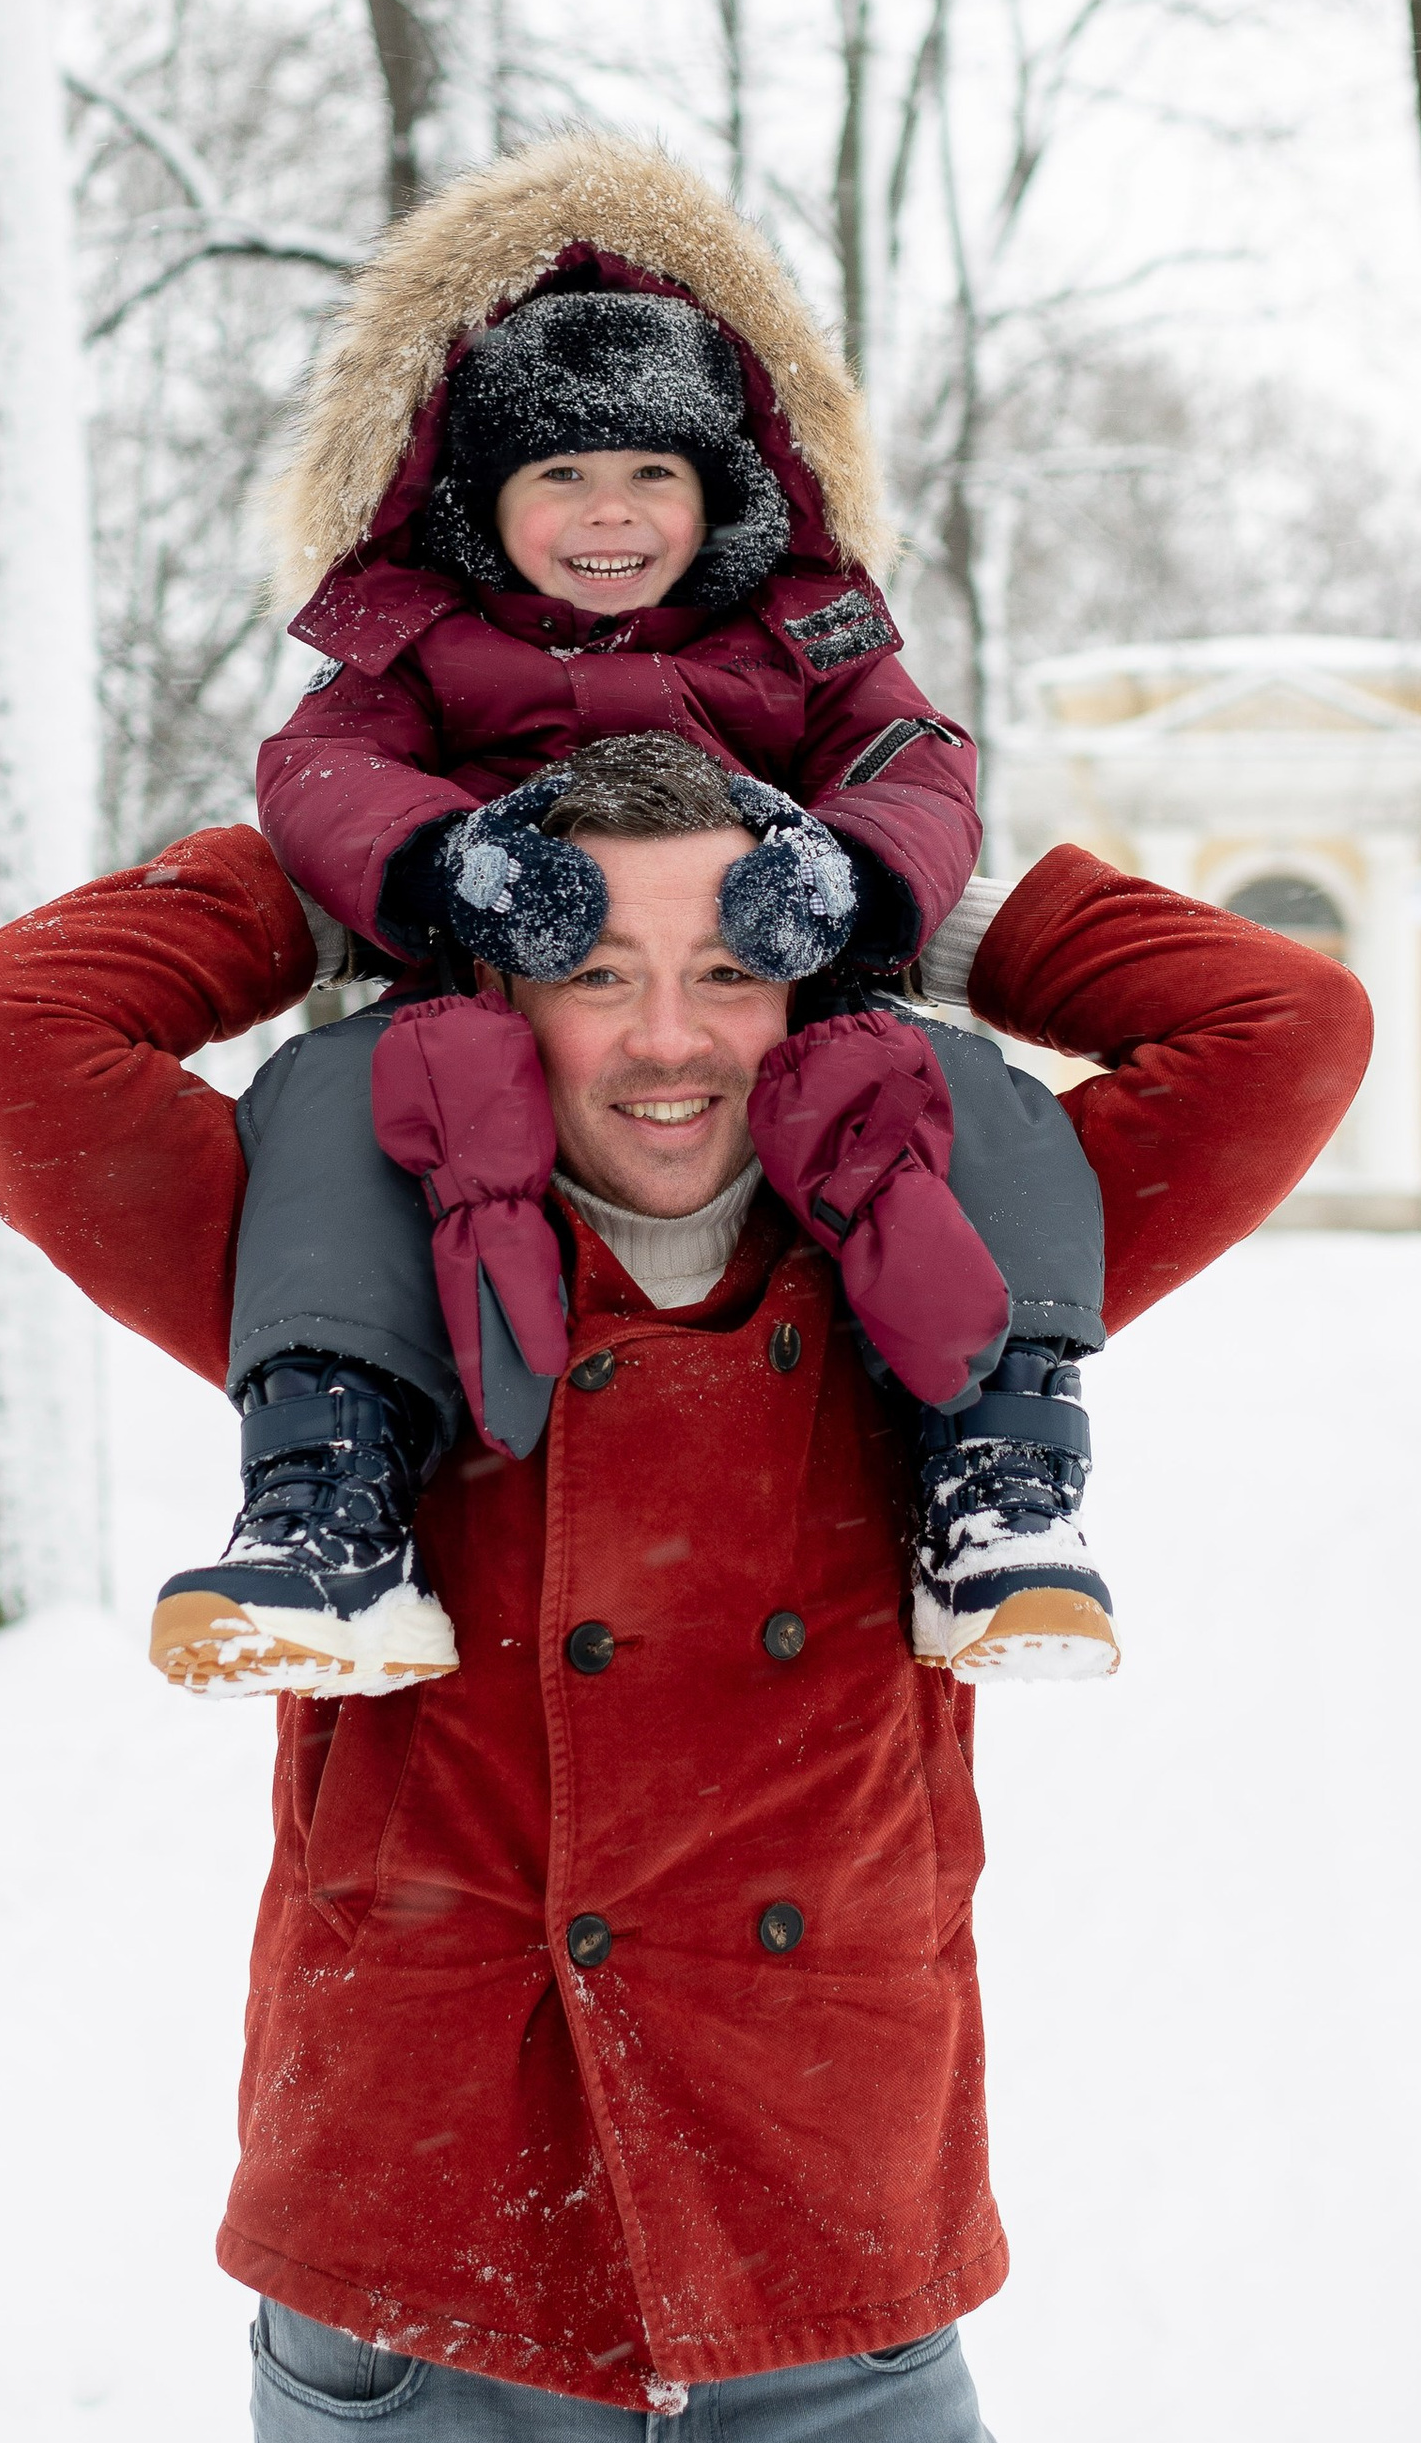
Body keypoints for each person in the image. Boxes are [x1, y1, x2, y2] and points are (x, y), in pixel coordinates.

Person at [0, 737, 1370, 2443]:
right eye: (592, 967)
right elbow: (7, 1023)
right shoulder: (342, 1284)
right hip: (420, 2337)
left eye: (731, 966)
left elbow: (1278, 1022)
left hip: (830, 2329)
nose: (668, 1041)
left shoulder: (932, 1294)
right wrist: (362, 869)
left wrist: (912, 884)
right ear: (495, 994)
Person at [153, 128, 1116, 1698]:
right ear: (488, 501)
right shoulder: (423, 647)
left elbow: (914, 757)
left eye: (650, 473)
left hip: (768, 1006)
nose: (610, 512)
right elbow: (322, 769)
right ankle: (327, 1491)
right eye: (564, 476)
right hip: (495, 1009)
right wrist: (441, 863)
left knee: (959, 1097)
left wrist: (859, 882)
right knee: (332, 1103)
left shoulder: (804, 639)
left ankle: (1000, 1468)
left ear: (717, 489)